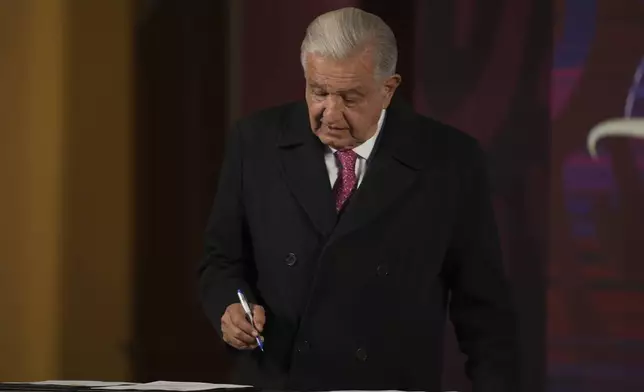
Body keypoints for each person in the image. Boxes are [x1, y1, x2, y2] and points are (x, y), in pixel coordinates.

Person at [199, 7, 518, 391]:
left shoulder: (449, 160)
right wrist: (230, 309)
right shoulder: (256, 142)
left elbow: (483, 306)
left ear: (388, 88)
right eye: (318, 92)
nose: (330, 114)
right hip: (280, 380)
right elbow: (221, 261)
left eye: (350, 97)